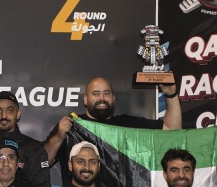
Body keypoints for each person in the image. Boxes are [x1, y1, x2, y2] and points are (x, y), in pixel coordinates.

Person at [42, 76, 182, 180]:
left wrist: (171, 94)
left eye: (106, 93)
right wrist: (59, 135)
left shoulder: (128, 124)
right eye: (95, 94)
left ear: (113, 98)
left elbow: (172, 131)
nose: (102, 98)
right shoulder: (71, 126)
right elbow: (44, 161)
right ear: (85, 99)